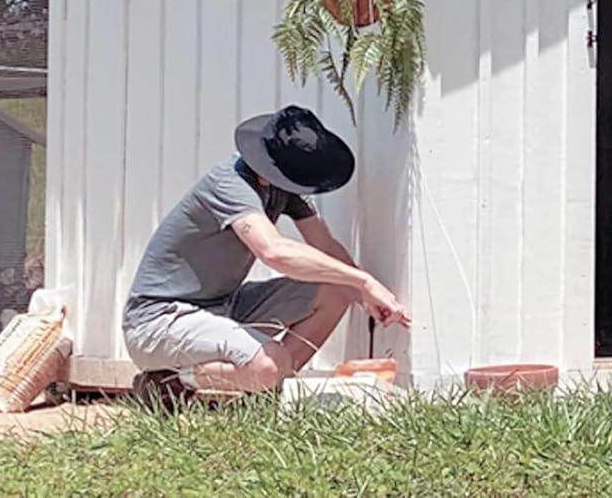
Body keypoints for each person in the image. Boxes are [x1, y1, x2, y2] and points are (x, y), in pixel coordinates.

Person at [123, 105, 408, 404]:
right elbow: (273, 251)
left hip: (221, 306)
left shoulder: (281, 188)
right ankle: (169, 382)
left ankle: (266, 394)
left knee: (337, 290)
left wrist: (364, 294)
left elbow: (324, 245)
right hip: (158, 319)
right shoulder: (229, 183)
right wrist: (362, 280)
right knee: (268, 363)